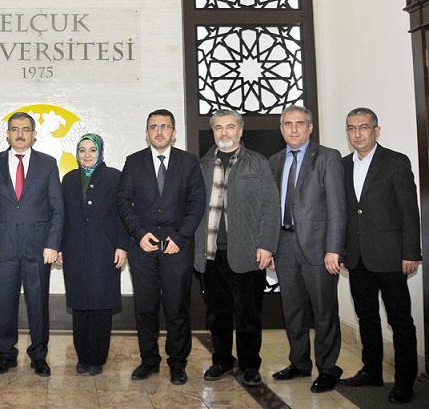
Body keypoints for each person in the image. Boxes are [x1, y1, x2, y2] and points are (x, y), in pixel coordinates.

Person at [116, 109, 206, 385]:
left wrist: (180, 237)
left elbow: (197, 203)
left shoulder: (189, 163)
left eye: (165, 126)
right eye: (154, 126)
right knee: (145, 308)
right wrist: (138, 234)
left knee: (177, 308)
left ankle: (178, 363)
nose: (159, 131)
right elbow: (123, 201)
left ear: (174, 132)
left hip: (177, 248)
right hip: (142, 248)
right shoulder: (133, 162)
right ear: (147, 133)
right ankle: (149, 361)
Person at [339, 107, 420, 404]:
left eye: (363, 127)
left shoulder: (396, 162)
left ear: (376, 130)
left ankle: (404, 382)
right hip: (356, 256)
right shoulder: (343, 165)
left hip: (391, 256)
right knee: (366, 316)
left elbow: (409, 211)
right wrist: (342, 250)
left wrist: (411, 252)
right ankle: (371, 371)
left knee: (400, 321)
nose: (357, 133)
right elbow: (345, 212)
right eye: (351, 128)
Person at [194, 109, 280, 387]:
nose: (224, 132)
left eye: (230, 126)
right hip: (210, 254)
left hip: (247, 252)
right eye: (219, 127)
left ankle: (250, 365)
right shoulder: (202, 166)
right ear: (213, 132)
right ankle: (221, 360)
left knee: (248, 315)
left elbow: (271, 207)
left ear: (240, 130)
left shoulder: (257, 162)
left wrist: (267, 244)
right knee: (217, 315)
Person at [0, 111, 64, 377]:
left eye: (26, 129)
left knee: (38, 304)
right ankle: (6, 355)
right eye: (15, 129)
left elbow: (57, 208)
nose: (20, 134)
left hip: (39, 248)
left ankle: (39, 356)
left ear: (34, 134)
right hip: (3, 247)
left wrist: (52, 244)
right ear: (7, 134)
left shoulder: (48, 164)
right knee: (5, 303)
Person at [268, 105, 345, 393]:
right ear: (281, 129)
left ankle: (327, 368)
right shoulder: (275, 161)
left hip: (319, 248)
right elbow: (270, 209)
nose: (294, 129)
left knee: (324, 311)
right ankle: (299, 363)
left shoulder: (327, 157)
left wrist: (334, 248)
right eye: (287, 124)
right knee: (293, 311)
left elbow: (338, 207)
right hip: (284, 246)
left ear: (310, 127)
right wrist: (271, 247)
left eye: (299, 123)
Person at [59, 133, 128, 376]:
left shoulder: (115, 177)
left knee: (101, 305)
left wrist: (122, 246)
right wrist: (59, 247)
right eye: (82, 150)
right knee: (79, 306)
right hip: (74, 250)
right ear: (77, 154)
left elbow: (122, 214)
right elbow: (62, 216)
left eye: (92, 150)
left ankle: (98, 358)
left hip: (105, 250)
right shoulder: (68, 179)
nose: (87, 155)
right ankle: (83, 356)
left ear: (100, 152)